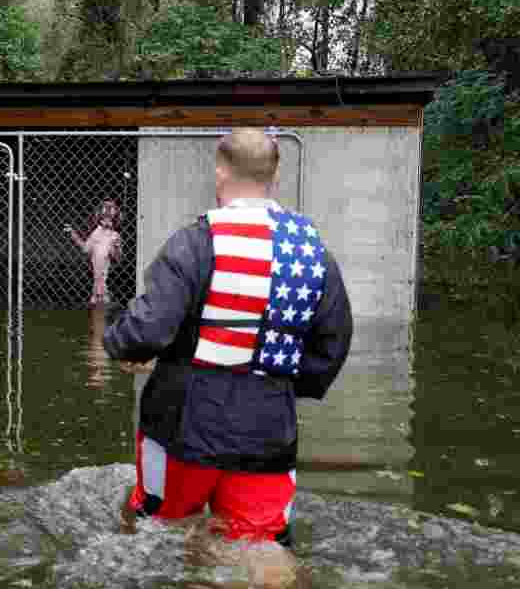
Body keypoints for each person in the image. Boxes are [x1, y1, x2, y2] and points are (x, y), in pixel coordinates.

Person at [104, 128, 353, 548]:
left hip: (184, 424)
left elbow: (149, 327)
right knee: (258, 548)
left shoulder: (195, 243)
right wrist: (282, 384)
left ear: (220, 173)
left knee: (156, 531)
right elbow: (332, 345)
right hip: (268, 427)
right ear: (275, 178)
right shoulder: (312, 252)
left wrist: (123, 344)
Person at [66, 199, 122, 305]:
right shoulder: (96, 233)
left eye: (112, 207)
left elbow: (118, 259)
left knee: (103, 304)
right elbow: (85, 249)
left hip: (106, 280)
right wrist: (73, 234)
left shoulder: (115, 236)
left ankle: (104, 296)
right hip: (96, 281)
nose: (109, 210)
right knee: (98, 304)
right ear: (99, 215)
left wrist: (116, 249)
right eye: (105, 207)